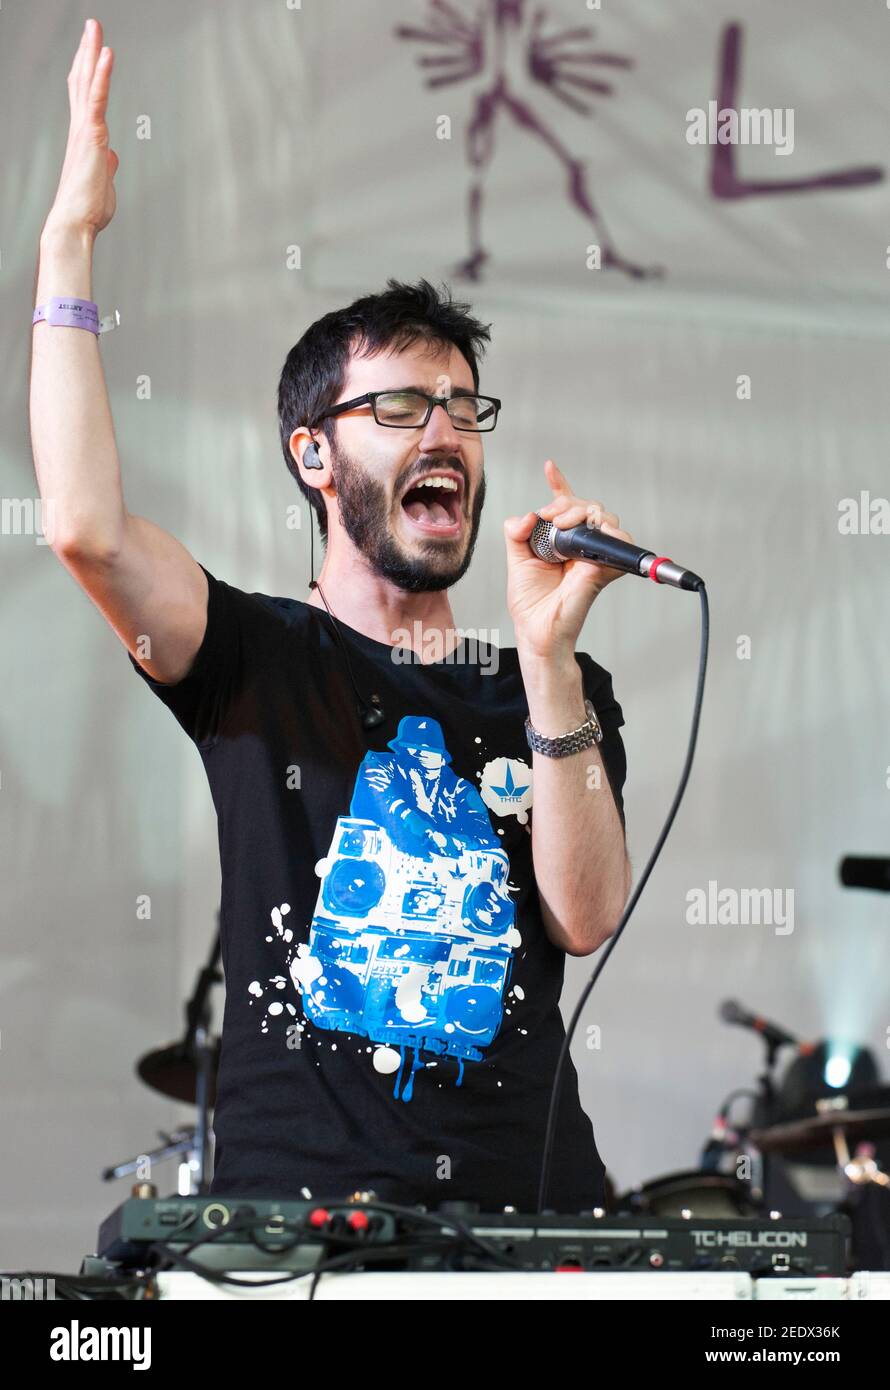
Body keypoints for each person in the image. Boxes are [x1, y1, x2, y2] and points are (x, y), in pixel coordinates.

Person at [30, 18, 634, 1212]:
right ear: (314, 453)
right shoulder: (253, 655)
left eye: (465, 408)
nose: (445, 433)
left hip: (536, 1212)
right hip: (307, 1227)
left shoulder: (548, 683)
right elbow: (88, 531)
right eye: (403, 405)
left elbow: (585, 913)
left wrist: (549, 661)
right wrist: (67, 242)